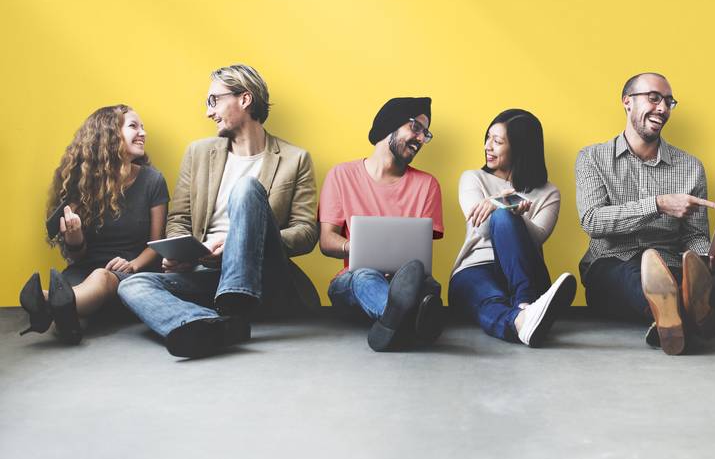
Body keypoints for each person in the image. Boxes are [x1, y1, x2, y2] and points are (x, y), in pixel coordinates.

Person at [118, 64, 319, 358]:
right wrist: (180, 253)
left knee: (247, 189)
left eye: (214, 100)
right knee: (133, 285)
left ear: (245, 99)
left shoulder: (295, 159)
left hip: (265, 274)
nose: (208, 112)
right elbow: (179, 220)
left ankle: (234, 299)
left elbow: (306, 231)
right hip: (207, 271)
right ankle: (212, 323)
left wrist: (242, 241)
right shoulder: (198, 153)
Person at [576, 72, 715, 355]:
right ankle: (687, 312)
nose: (663, 109)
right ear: (627, 102)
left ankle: (670, 317)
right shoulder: (591, 158)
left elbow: (695, 235)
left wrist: (706, 259)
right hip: (611, 264)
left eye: (668, 102)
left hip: (672, 265)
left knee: (714, 276)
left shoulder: (690, 167)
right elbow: (592, 221)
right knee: (634, 274)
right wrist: (658, 204)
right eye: (653, 98)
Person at [19, 105, 169, 344]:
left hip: (132, 274)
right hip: (82, 273)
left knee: (101, 278)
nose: (143, 133)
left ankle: (45, 301)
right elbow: (77, 258)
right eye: (133, 126)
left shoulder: (153, 181)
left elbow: (157, 244)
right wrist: (74, 236)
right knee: (70, 319)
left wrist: (131, 265)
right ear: (110, 135)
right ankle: (64, 310)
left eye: (143, 127)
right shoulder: (81, 185)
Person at [319, 97, 445, 352]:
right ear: (390, 124)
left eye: (425, 133)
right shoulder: (341, 175)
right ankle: (408, 320)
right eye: (416, 128)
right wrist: (357, 248)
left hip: (406, 281)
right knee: (365, 275)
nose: (421, 139)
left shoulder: (427, 185)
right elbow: (326, 241)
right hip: (354, 284)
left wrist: (402, 273)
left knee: (426, 284)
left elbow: (420, 252)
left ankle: (392, 323)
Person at [450, 109, 576, 347]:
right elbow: (483, 229)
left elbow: (538, 238)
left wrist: (515, 214)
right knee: (489, 299)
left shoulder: (549, 192)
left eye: (497, 142)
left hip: (525, 272)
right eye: (488, 138)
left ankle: (524, 303)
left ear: (520, 148)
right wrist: (501, 200)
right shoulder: (472, 178)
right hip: (477, 268)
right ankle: (522, 319)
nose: (488, 146)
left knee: (506, 218)